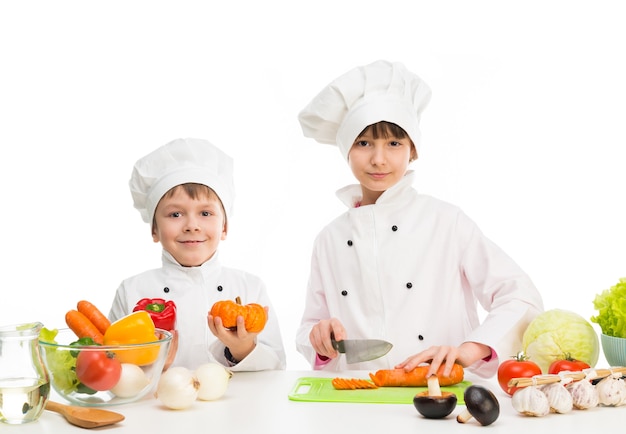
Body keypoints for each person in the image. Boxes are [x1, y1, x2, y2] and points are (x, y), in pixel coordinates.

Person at [295, 60, 544, 378]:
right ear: (346, 149)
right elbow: (308, 328)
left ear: (412, 150)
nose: (378, 158)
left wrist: (469, 349)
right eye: (364, 143)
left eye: (394, 143)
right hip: (359, 395)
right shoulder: (329, 239)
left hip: (443, 392)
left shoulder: (446, 222)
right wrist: (319, 338)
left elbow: (520, 294)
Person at [109, 138, 286, 371]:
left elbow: (276, 369)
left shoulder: (250, 287)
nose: (192, 225)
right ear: (154, 230)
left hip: (236, 408)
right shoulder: (132, 290)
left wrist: (241, 349)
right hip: (156, 407)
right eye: (175, 215)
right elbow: (112, 368)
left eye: (205, 213)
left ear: (224, 228)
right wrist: (153, 367)